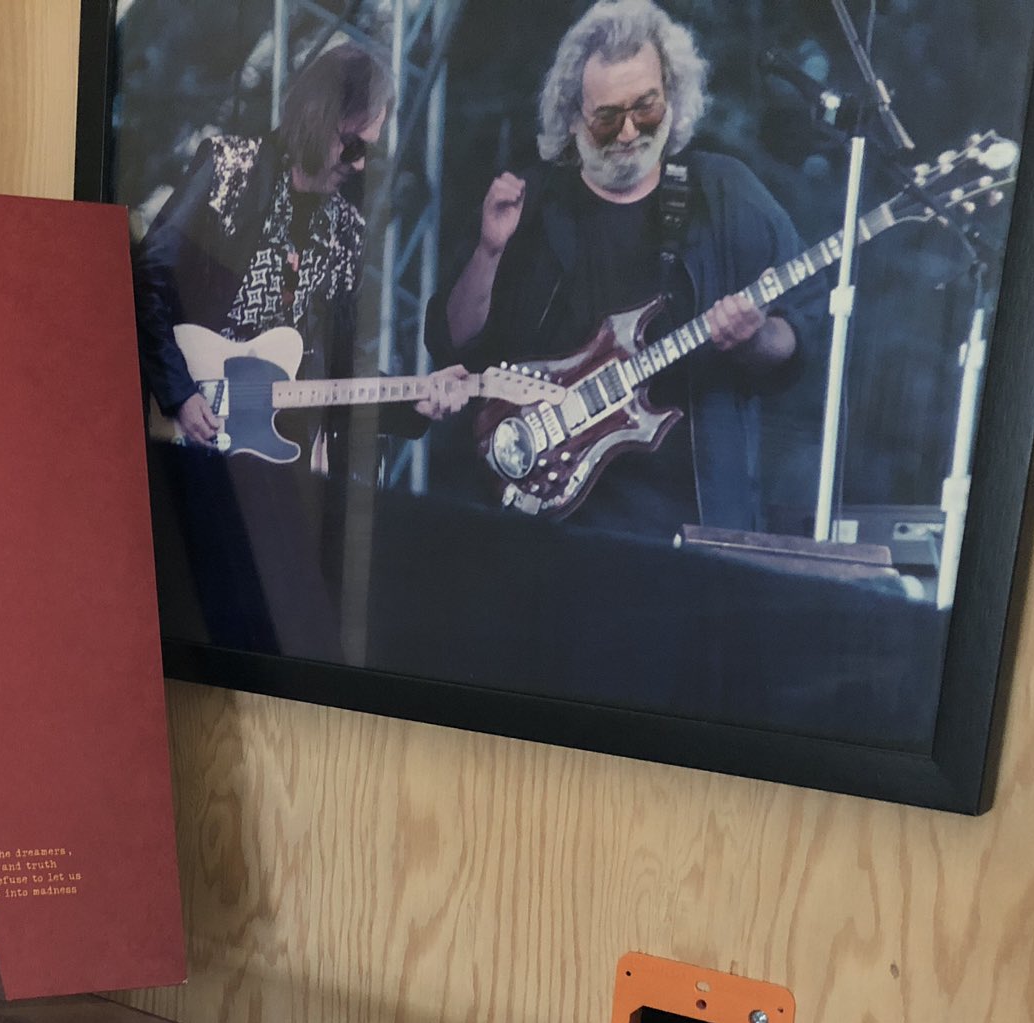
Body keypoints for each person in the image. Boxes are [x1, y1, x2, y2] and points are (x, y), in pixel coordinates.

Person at [133, 43, 468, 660]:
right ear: (319, 116)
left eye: (371, 151)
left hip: (270, 466)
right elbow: (148, 274)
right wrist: (178, 393)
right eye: (354, 145)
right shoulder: (231, 169)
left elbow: (340, 371)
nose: (360, 165)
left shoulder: (345, 231)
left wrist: (415, 400)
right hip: (189, 433)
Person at [428, 0, 804, 538]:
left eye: (645, 108)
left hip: (692, 532)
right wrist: (488, 252)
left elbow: (801, 330)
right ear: (573, 117)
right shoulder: (531, 203)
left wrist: (756, 336)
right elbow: (453, 343)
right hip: (545, 534)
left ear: (672, 95)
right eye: (607, 117)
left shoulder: (726, 194)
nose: (629, 132)